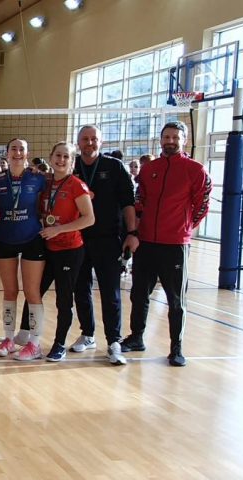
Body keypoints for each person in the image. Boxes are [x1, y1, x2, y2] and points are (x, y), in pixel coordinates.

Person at [124, 121, 211, 367]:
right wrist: (136, 230)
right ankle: (136, 337)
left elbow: (202, 205)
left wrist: (184, 228)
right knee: (139, 293)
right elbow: (140, 200)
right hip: (146, 242)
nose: (170, 141)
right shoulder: (149, 169)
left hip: (175, 245)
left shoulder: (195, 170)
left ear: (184, 141)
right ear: (160, 140)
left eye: (175, 137)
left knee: (175, 299)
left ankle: (176, 348)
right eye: (166, 137)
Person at [70, 125, 135, 365]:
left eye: (94, 139)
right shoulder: (72, 166)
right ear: (78, 142)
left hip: (108, 238)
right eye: (85, 139)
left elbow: (128, 202)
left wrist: (132, 232)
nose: (89, 143)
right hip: (77, 238)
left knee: (110, 291)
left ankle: (114, 341)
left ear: (101, 142)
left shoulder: (114, 167)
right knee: (80, 288)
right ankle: (87, 334)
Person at [31, 143, 95, 362]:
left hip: (69, 250)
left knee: (64, 299)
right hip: (47, 248)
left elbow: (89, 218)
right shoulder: (46, 182)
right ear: (50, 158)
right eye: (58, 155)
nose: (61, 160)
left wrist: (58, 229)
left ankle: (59, 344)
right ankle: (27, 337)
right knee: (34, 292)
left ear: (72, 161)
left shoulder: (76, 185)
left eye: (66, 156)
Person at [0, 138, 46, 361]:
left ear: (27, 154)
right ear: (7, 153)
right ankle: (8, 339)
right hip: (6, 238)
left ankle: (35, 343)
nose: (17, 152)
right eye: (13, 149)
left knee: (32, 291)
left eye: (21, 149)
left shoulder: (38, 178)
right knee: (10, 291)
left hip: (32, 238)